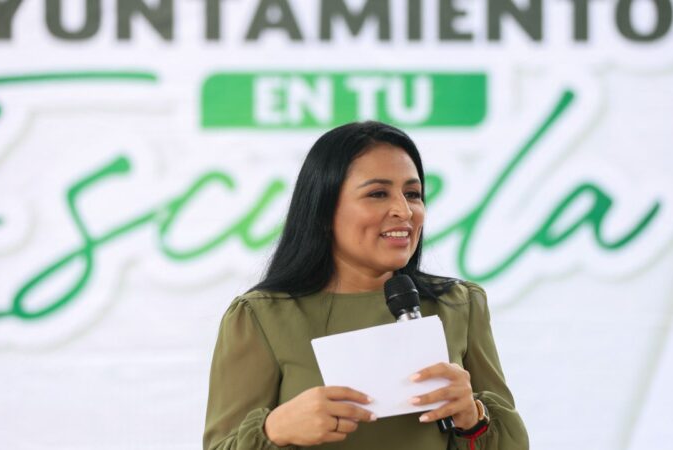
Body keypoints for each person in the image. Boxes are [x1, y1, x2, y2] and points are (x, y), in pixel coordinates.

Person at [203, 122, 528, 449]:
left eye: (412, 194)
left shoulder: (459, 305)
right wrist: (275, 430)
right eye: (377, 194)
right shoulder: (261, 316)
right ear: (324, 210)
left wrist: (474, 417)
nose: (404, 210)